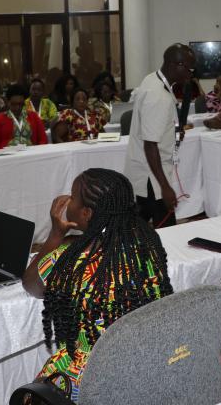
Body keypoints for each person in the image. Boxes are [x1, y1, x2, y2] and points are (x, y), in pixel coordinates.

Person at [22, 169, 173, 401]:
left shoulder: (70, 260)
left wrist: (55, 234)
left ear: (86, 213)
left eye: (73, 196)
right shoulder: (148, 246)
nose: (68, 200)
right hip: (143, 362)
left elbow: (31, 283)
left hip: (88, 374)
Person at [124, 43, 196, 228]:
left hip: (147, 171)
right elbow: (150, 144)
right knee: (166, 229)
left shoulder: (152, 79)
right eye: (189, 69)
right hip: (152, 177)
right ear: (175, 65)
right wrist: (165, 187)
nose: (191, 75)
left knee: (138, 225)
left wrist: (173, 131)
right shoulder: (158, 96)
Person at [0, 83, 47, 149]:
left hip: (31, 153)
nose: (17, 108)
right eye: (13, 104)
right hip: (8, 154)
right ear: (8, 102)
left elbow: (43, 139)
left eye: (20, 104)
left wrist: (37, 151)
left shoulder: (33, 116)